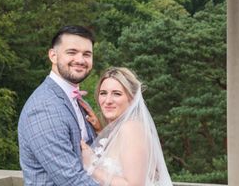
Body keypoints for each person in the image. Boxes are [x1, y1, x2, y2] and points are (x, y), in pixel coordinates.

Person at [18, 25, 100, 186]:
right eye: (72, 52)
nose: (80, 60)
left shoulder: (77, 101)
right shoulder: (43, 107)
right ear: (53, 56)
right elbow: (71, 180)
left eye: (87, 54)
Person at [80, 67, 172, 186]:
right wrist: (100, 131)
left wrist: (91, 167)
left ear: (132, 98)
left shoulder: (131, 129)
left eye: (117, 94)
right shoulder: (123, 129)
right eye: (103, 93)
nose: (108, 100)